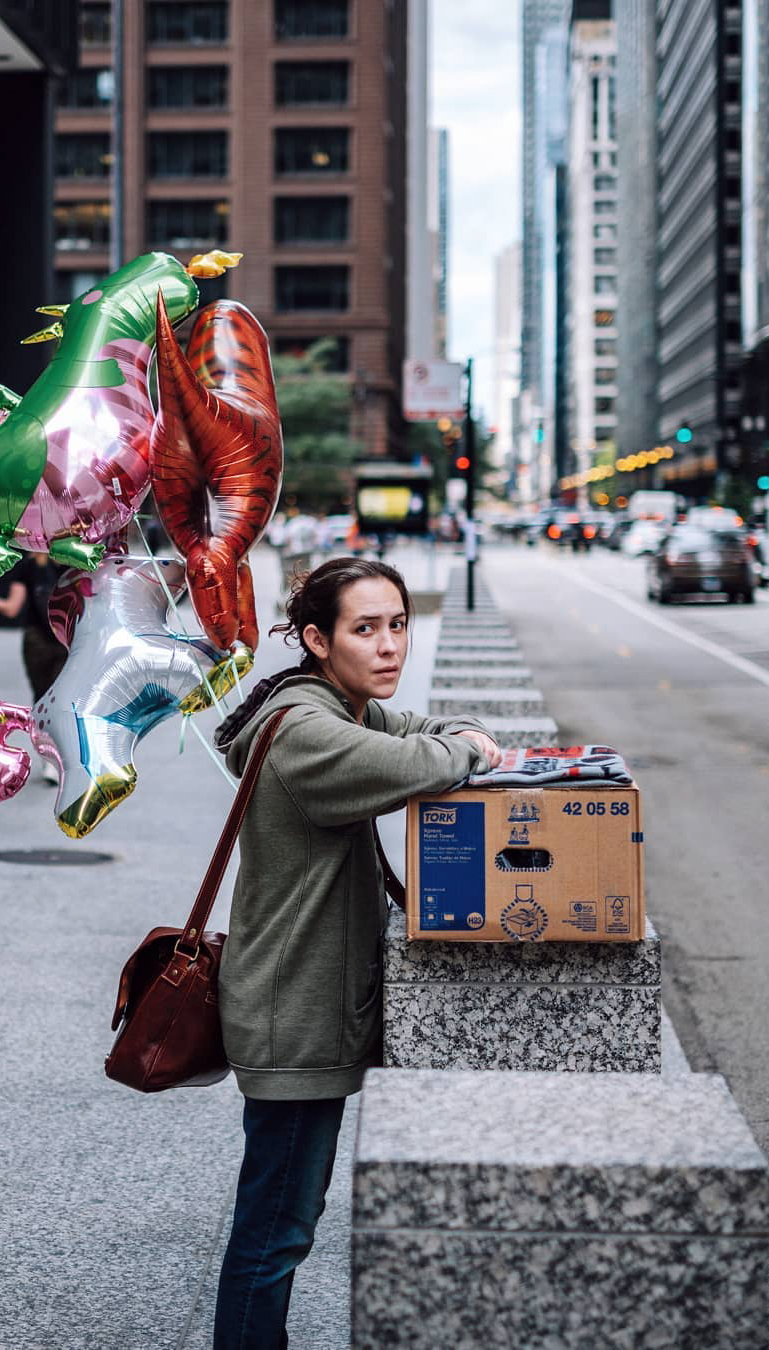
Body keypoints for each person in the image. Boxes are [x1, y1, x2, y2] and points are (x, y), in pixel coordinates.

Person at [211, 556, 502, 1348]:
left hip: (306, 1003)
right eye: (364, 629)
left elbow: (415, 732)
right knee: (275, 1234)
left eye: (399, 625)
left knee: (280, 1224)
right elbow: (420, 760)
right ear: (315, 637)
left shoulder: (335, 706)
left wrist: (455, 736)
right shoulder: (308, 731)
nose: (389, 648)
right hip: (293, 1016)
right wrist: (469, 745)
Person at [0, 552, 67, 783]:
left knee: (55, 702)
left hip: (62, 641)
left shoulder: (70, 561)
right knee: (46, 702)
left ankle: (56, 759)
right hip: (43, 641)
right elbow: (13, 608)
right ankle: (51, 760)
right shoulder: (30, 567)